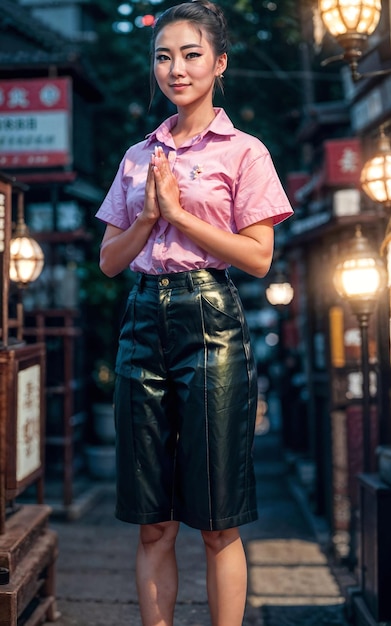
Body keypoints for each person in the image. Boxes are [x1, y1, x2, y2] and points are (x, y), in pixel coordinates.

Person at [96, 1, 293, 624]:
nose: (175, 68)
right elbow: (108, 260)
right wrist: (151, 215)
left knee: (216, 520)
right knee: (153, 523)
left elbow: (259, 259)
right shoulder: (137, 156)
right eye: (163, 56)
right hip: (140, 325)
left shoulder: (245, 152)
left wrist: (181, 216)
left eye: (190, 54)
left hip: (211, 322)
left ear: (220, 63)